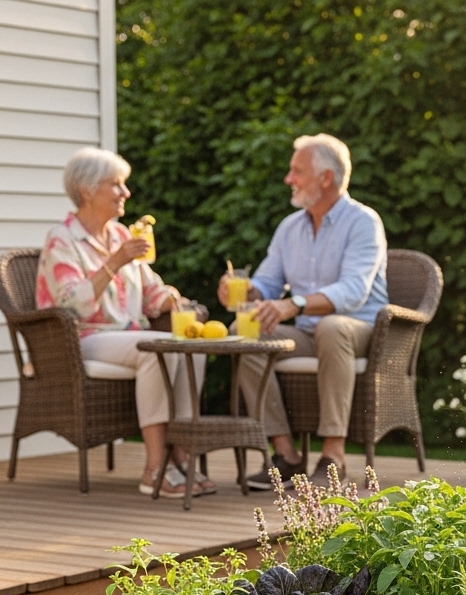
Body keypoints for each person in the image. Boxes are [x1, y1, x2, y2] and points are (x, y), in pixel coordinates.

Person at [36, 147, 214, 497]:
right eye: (116, 185)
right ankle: (153, 469)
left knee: (189, 348)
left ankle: (180, 455)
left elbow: (150, 292)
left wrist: (171, 300)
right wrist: (114, 263)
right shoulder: (63, 240)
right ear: (87, 191)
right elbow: (74, 305)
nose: (126, 193)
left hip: (128, 335)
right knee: (153, 349)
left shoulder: (120, 235)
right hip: (82, 338)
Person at [222, 133, 388, 488]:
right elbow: (267, 283)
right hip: (310, 332)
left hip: (359, 330)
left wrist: (293, 303)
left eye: (296, 171)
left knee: (331, 326)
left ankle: (333, 457)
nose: (288, 179)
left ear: (325, 178)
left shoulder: (363, 222)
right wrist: (246, 291)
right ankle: (286, 455)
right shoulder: (289, 227)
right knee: (243, 330)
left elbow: (354, 291)